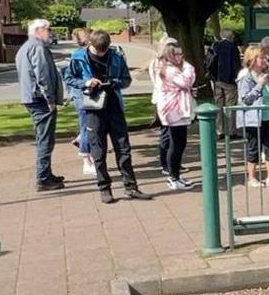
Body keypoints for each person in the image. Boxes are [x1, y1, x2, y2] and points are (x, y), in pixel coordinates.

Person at [67, 30, 149, 203]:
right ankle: (104, 188)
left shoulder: (116, 57)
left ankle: (131, 187)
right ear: (90, 45)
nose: (102, 53)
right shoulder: (78, 57)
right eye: (98, 51)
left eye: (105, 50)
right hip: (93, 108)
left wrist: (115, 82)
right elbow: (69, 78)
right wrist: (86, 83)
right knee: (98, 150)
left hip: (114, 107)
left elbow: (126, 79)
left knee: (124, 149)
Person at [16, 19, 67, 191]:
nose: (50, 33)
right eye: (49, 29)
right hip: (40, 100)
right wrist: (50, 99)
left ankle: (46, 173)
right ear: (39, 30)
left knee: (42, 137)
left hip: (31, 98)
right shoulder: (38, 48)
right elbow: (43, 76)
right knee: (46, 139)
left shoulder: (24, 48)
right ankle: (44, 178)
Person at [150, 37, 196, 190]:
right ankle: (173, 177)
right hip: (173, 110)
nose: (181, 57)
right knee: (176, 144)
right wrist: (188, 67)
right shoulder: (170, 70)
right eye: (177, 54)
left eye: (181, 54)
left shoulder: (169, 68)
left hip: (174, 108)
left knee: (178, 144)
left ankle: (175, 175)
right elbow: (186, 81)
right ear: (170, 55)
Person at [236, 46, 269, 187]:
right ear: (253, 60)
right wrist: (260, 86)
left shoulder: (265, 75)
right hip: (253, 119)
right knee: (253, 148)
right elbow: (245, 100)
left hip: (267, 117)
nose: (264, 60)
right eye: (261, 57)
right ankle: (252, 178)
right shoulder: (247, 77)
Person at [71, 27, 96, 169]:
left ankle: (81, 141)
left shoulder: (77, 55)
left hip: (83, 94)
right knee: (87, 126)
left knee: (89, 126)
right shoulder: (81, 56)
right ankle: (86, 160)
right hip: (84, 94)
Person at [208, 29, 240, 112]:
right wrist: (236, 77)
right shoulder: (233, 47)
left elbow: (210, 62)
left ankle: (219, 125)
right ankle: (230, 124)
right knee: (230, 106)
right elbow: (236, 64)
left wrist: (212, 75)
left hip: (217, 80)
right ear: (230, 37)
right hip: (230, 81)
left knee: (218, 105)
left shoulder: (215, 46)